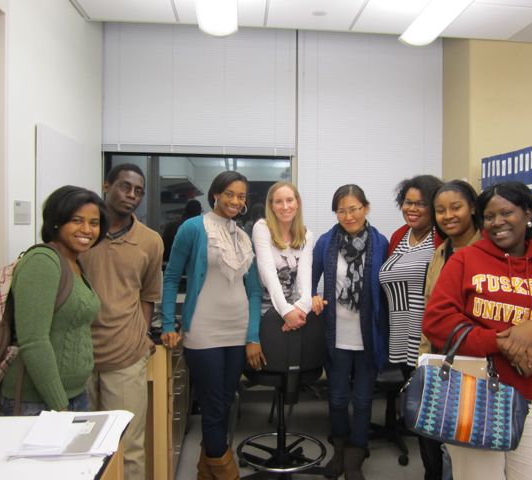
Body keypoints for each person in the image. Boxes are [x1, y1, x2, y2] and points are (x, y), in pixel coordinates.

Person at [423, 181, 532, 480]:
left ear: (527, 214)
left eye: (506, 213)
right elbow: (437, 321)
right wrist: (504, 342)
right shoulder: (465, 260)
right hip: (474, 397)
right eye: (489, 216)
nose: (497, 222)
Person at [161, 171, 262, 480]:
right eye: (229, 193)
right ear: (215, 194)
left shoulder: (243, 236)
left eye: (241, 195)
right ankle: (226, 472)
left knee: (225, 402)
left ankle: (207, 473)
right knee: (214, 404)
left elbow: (255, 290)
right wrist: (168, 322)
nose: (235, 200)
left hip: (237, 329)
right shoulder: (193, 229)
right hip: (203, 329)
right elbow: (170, 277)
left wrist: (253, 335)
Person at [81, 164, 164, 480]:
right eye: (125, 186)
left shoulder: (150, 241)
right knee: (83, 446)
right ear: (106, 185)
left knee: (128, 446)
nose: (132, 195)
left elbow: (148, 294)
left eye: (139, 191)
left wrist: (143, 338)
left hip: (125, 356)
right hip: (79, 356)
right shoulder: (83, 232)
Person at [0, 185, 108, 416]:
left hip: (74, 394)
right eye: (77, 220)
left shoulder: (75, 263)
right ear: (57, 222)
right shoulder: (42, 262)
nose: (87, 229)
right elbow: (34, 341)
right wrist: (60, 406)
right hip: (39, 403)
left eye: (94, 223)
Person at [312, 184, 388, 480]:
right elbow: (310, 280)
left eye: (354, 208)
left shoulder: (380, 242)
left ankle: (357, 452)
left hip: (368, 335)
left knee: (365, 399)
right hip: (337, 333)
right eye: (341, 210)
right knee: (338, 397)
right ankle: (340, 447)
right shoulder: (326, 243)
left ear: (366, 208)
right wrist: (312, 298)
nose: (348, 215)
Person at [379, 174, 443, 480]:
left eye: (421, 203)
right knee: (418, 412)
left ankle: (435, 473)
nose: (412, 208)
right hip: (401, 337)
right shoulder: (399, 236)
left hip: (427, 340)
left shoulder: (440, 238)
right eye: (408, 202)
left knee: (433, 417)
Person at [421, 179, 482, 480]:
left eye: (456, 207)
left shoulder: (488, 252)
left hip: (475, 361)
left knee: (463, 445)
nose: (448, 216)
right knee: (438, 438)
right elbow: (430, 309)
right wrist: (423, 361)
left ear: (472, 207)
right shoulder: (441, 252)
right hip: (440, 359)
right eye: (441, 210)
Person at [252, 181, 314, 332]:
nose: (285, 207)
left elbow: (304, 279)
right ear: (271, 206)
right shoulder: (262, 228)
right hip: (265, 313)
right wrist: (286, 311)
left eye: (289, 200)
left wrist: (302, 308)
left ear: (297, 202)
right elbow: (269, 275)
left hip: (295, 312)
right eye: (278, 202)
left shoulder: (307, 235)